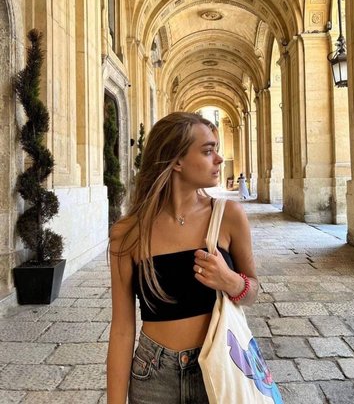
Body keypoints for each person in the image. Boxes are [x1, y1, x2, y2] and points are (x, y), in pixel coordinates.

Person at [107, 112, 259, 404]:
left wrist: (230, 281)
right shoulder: (128, 233)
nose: (219, 159)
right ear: (176, 160)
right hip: (153, 375)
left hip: (219, 367)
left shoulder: (228, 216)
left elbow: (253, 291)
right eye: (208, 151)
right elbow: (122, 329)